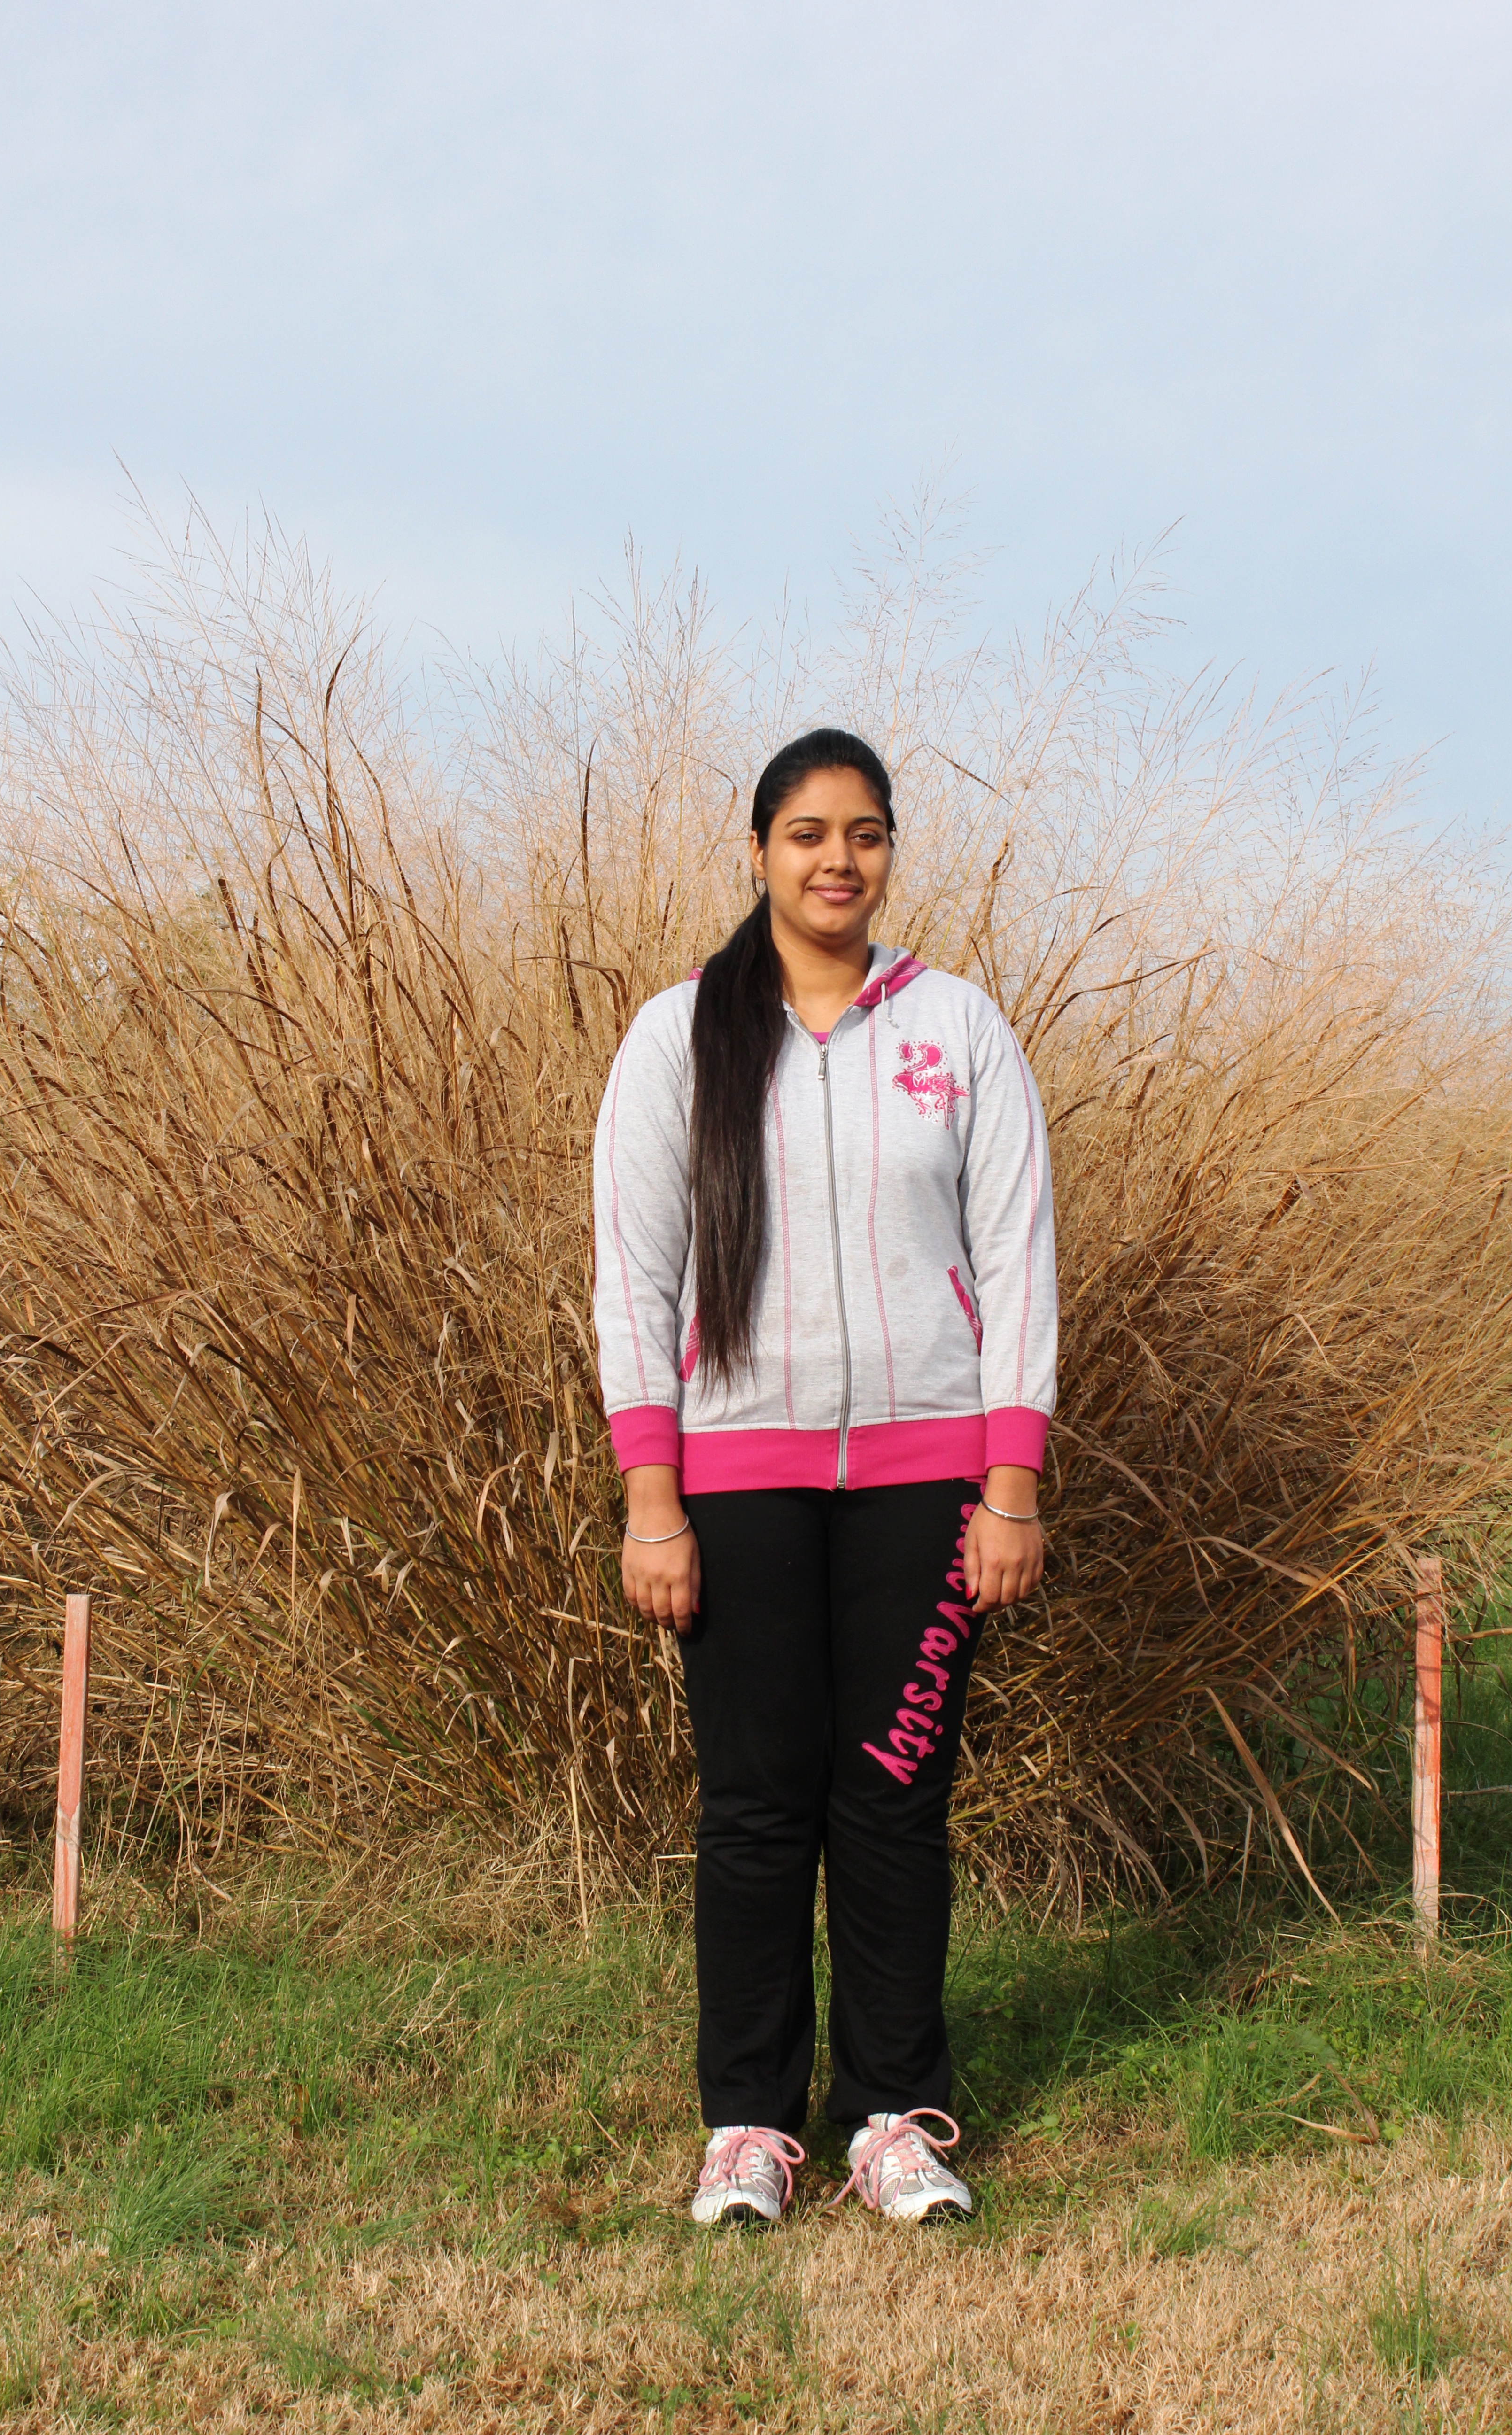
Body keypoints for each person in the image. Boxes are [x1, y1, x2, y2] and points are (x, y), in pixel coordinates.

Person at [591, 728, 1057, 2226]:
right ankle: (748, 2124)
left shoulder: (962, 1032)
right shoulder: (681, 1038)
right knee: (754, 1807)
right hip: (734, 1481)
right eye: (806, 834)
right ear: (759, 852)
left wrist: (1013, 1482)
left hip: (930, 1485)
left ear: (889, 853)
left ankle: (890, 2119)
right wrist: (649, 1497)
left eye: (862, 834)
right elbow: (635, 1277)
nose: (835, 861)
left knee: (897, 1798)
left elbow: (1019, 1259)